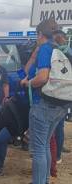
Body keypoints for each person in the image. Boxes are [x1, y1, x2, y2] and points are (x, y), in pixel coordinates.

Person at [16, 19, 71, 184]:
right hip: (61, 104)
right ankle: (43, 183)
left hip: (43, 104)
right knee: (46, 145)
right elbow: (30, 70)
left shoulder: (46, 49)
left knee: (39, 148)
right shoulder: (60, 49)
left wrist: (27, 83)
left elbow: (42, 77)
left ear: (40, 34)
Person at [52, 30, 72, 163]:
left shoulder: (63, 53)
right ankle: (57, 154)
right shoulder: (67, 52)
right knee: (59, 125)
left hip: (59, 93)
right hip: (65, 94)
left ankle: (56, 155)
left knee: (57, 126)